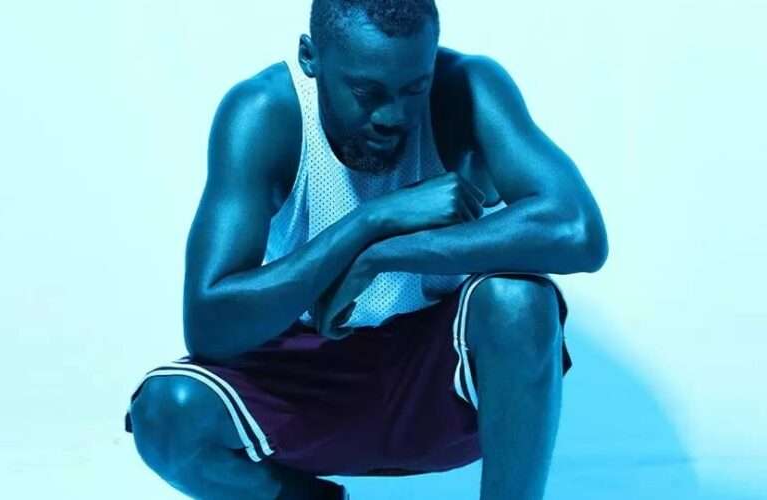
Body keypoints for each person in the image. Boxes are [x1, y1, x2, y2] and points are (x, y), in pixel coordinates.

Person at [123, 0, 608, 498]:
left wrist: (383, 254)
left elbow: (578, 231)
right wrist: (371, 221)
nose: (393, 116)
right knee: (166, 413)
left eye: (414, 88)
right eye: (366, 92)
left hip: (435, 375)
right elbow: (208, 327)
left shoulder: (468, 88)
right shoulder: (265, 113)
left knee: (519, 301)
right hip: (308, 375)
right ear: (311, 58)